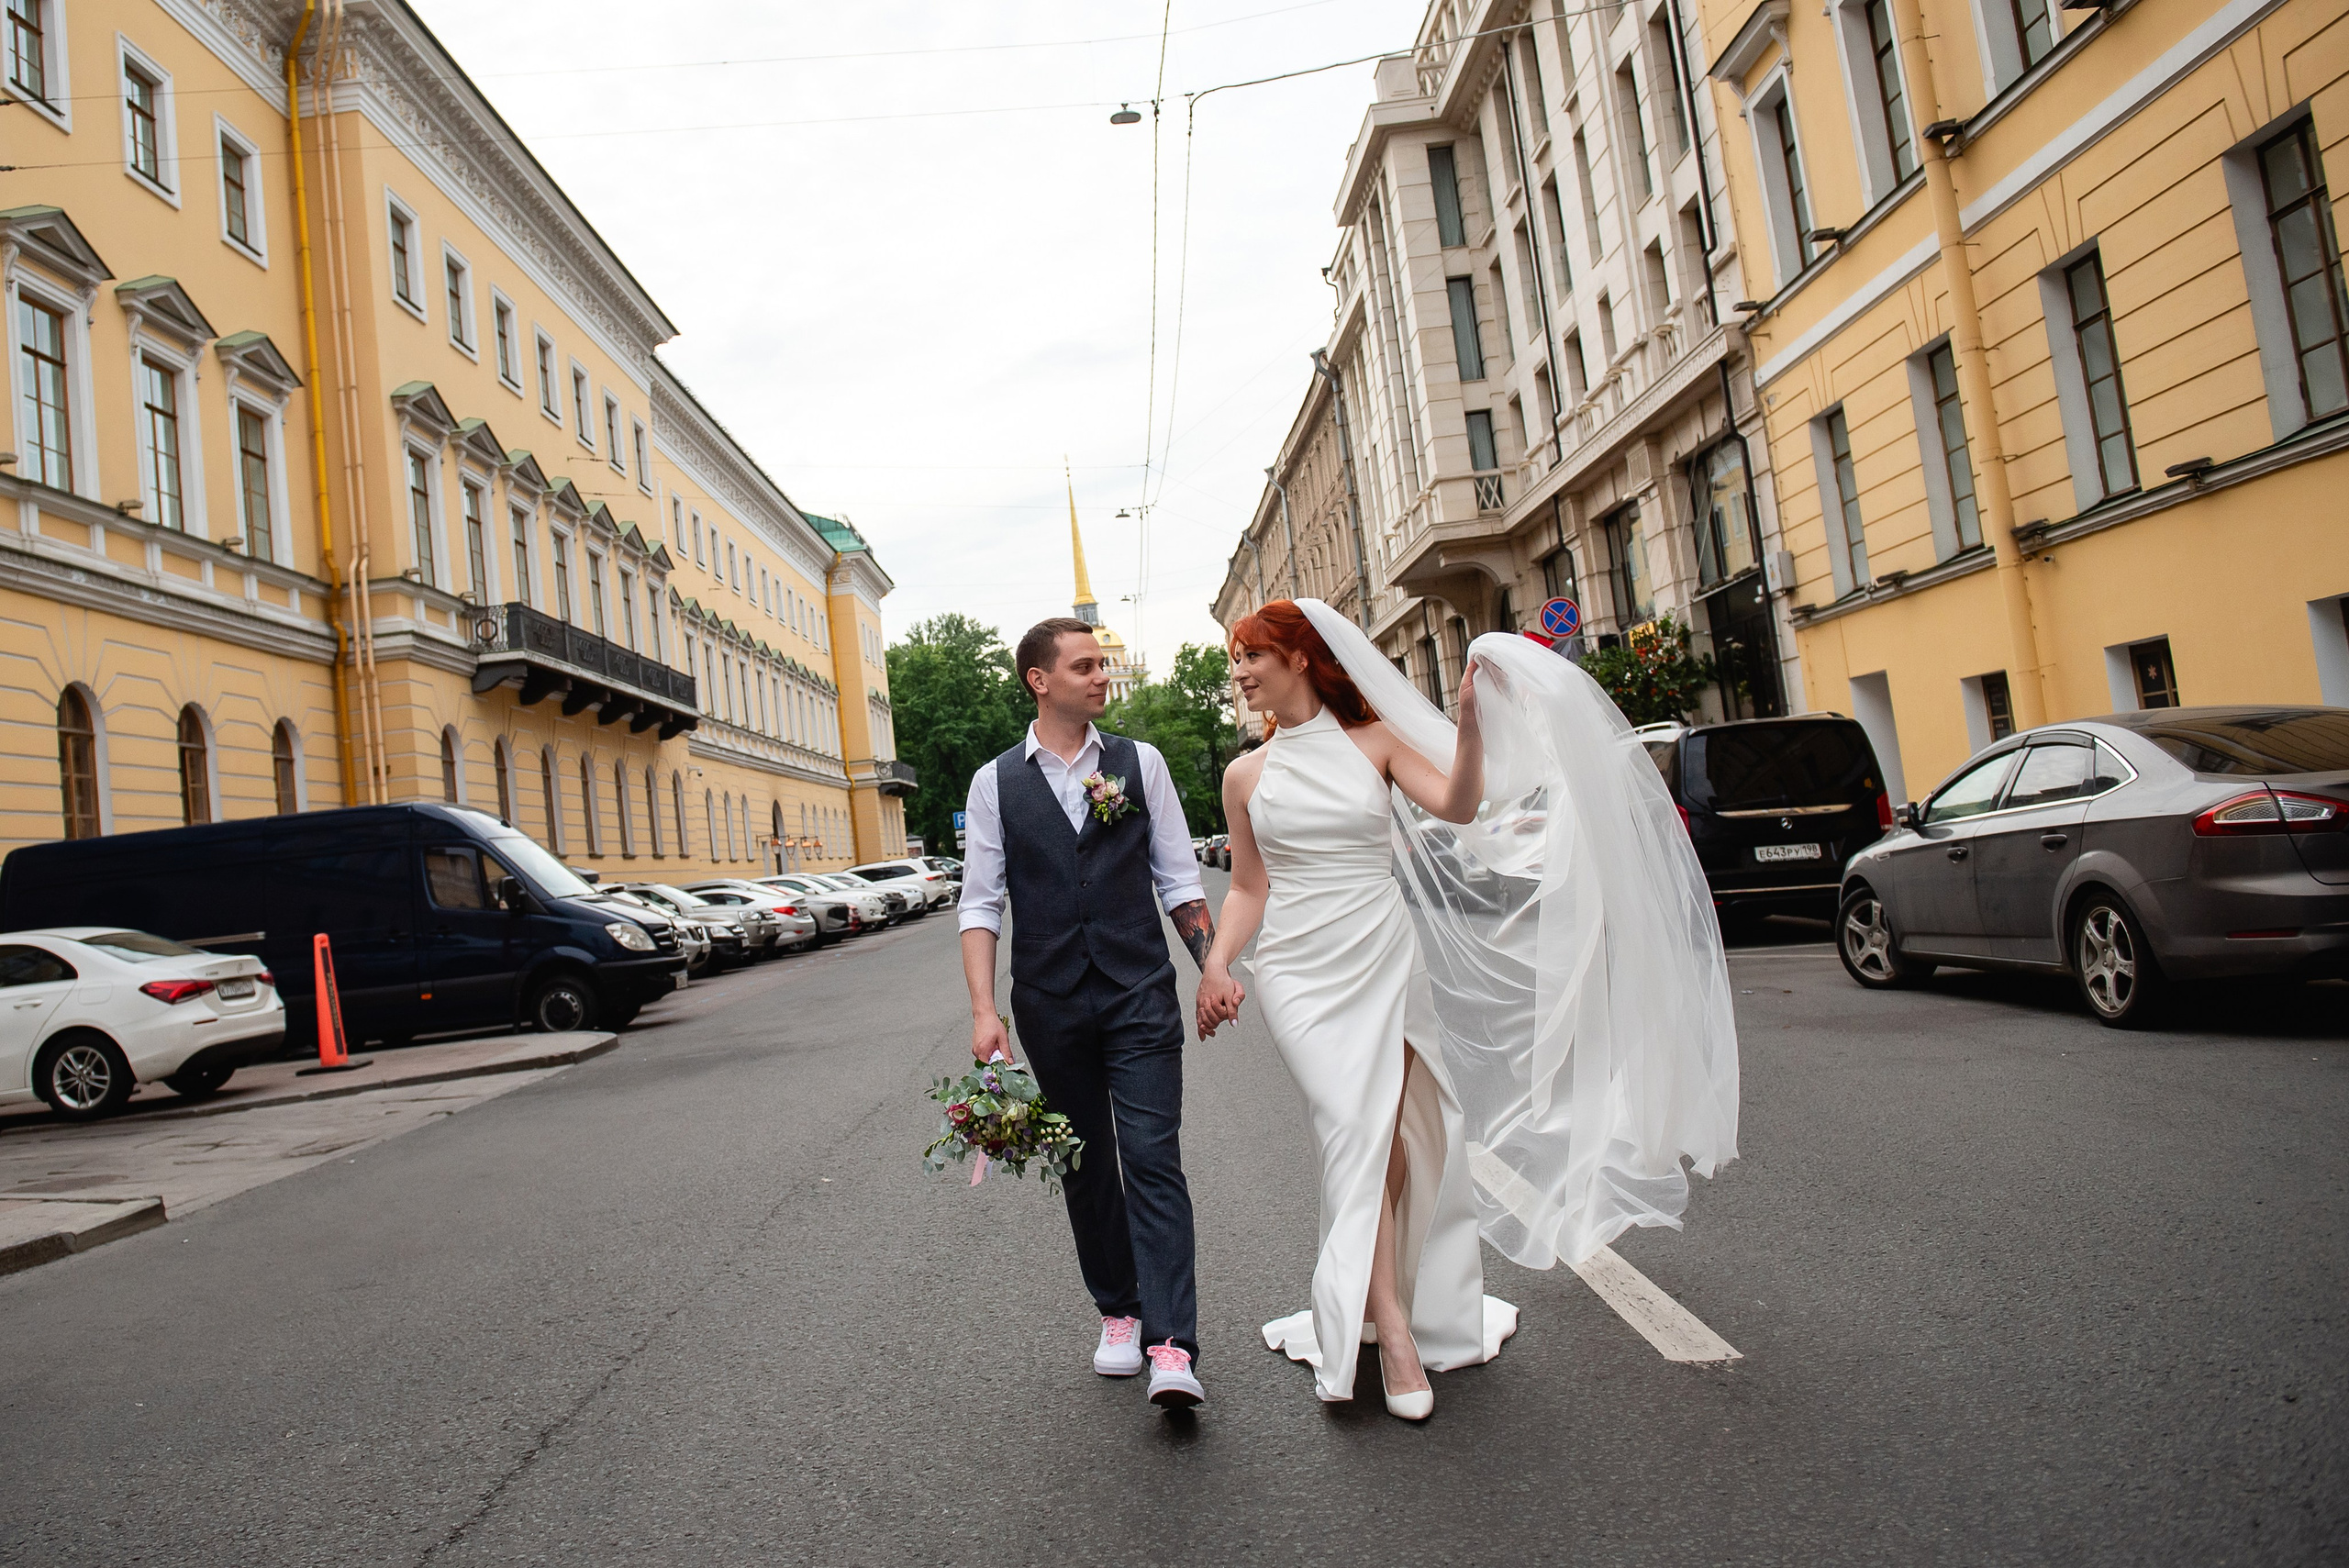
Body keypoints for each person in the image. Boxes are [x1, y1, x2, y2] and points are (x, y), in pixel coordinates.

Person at [1196, 600, 1741, 1422]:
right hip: (1299, 975)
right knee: (1354, 1131)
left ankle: (1386, 1298)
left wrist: (1468, 725)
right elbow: (1247, 886)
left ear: (1303, 660)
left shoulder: (1373, 742)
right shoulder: (1246, 776)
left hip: (1381, 956)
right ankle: (1394, 1332)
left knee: (1398, 1137)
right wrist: (1216, 960)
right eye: (1235, 659)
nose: (1239, 671)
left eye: (1252, 655)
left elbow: (1456, 804)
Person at [958, 617, 1219, 1410]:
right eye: (1084, 666)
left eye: (1102, 664)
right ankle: (1119, 1311)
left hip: (1139, 991)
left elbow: (1178, 880)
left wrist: (1213, 967)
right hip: (1049, 1003)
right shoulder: (994, 782)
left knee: (1151, 1159)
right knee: (1085, 1164)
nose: (1101, 676)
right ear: (1040, 680)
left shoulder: (1142, 763)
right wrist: (982, 1011)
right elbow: (980, 902)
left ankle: (1172, 1344)